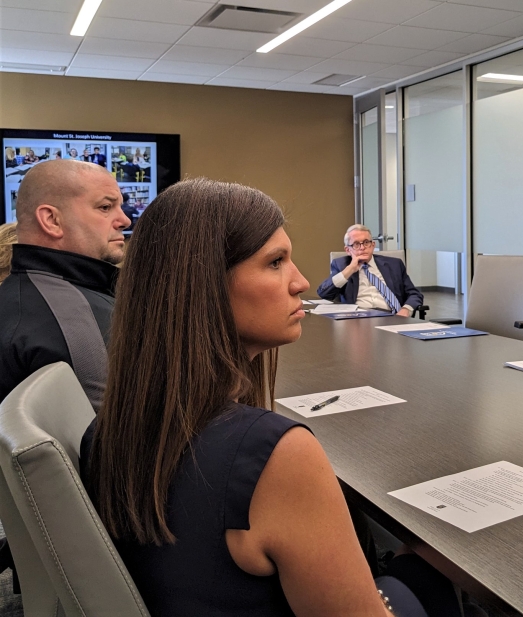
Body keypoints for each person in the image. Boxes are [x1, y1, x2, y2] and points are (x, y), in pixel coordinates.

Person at [81, 178, 455, 616]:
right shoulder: (275, 453)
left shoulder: (108, 427)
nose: (299, 282)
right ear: (202, 286)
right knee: (433, 570)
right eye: (275, 262)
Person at [0, 159, 130, 410]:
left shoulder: (23, 293)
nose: (124, 220)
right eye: (105, 207)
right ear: (51, 220)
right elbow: (119, 438)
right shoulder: (72, 316)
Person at [316, 224, 423, 316]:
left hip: (392, 316)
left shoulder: (394, 264)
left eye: (366, 242)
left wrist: (406, 310)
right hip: (358, 320)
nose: (362, 248)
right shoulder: (341, 265)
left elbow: (414, 293)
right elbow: (324, 293)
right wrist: (350, 269)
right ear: (348, 250)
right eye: (356, 244)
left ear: (372, 245)